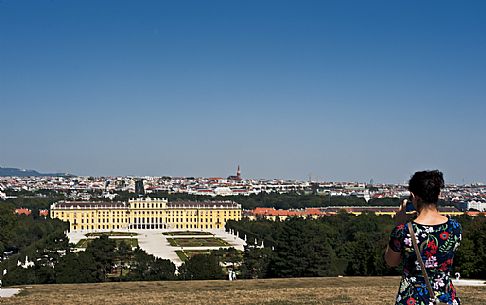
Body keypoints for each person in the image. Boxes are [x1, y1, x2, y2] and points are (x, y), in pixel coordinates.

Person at [384, 170, 462, 305]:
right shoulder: (454, 227)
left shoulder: (403, 231)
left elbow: (391, 261)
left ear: (414, 196)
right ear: (438, 194)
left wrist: (398, 225)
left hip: (412, 298)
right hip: (444, 297)